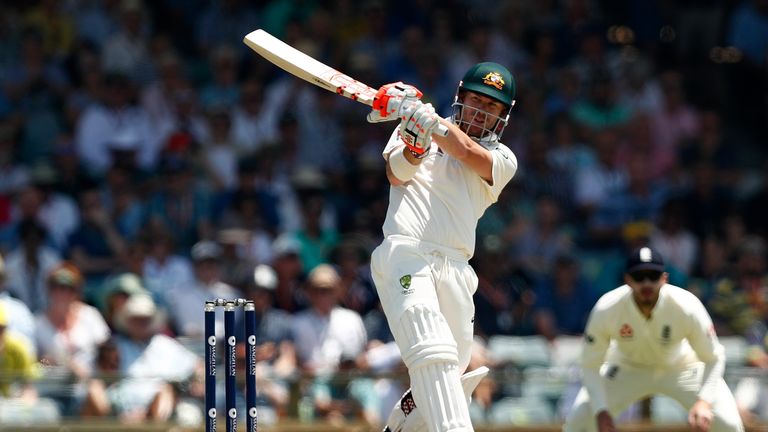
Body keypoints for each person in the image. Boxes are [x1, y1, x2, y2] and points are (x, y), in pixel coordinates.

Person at [365, 61, 518, 431]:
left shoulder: (504, 160)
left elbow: (465, 150)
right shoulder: (414, 126)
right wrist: (415, 145)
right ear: (460, 98)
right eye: (476, 100)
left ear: (503, 117)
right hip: (406, 252)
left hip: (456, 269)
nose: (482, 111)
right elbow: (397, 174)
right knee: (433, 352)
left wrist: (427, 121)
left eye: (492, 107)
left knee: (449, 377)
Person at [563, 246, 744, 432]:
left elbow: (713, 357)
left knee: (728, 424)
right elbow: (589, 364)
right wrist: (601, 410)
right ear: (628, 280)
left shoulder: (686, 306)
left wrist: (704, 401)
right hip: (627, 368)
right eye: (640, 277)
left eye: (653, 276)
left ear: (664, 278)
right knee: (578, 423)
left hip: (681, 367)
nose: (647, 284)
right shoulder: (607, 308)